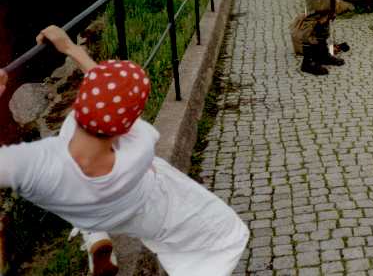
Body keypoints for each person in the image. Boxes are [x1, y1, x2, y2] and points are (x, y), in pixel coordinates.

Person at [0, 26, 249, 276]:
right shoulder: (139, 146)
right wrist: (70, 48)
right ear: (126, 127)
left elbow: (104, 93)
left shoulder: (39, 170)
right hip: (148, 205)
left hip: (95, 213)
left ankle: (94, 234)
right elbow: (112, 95)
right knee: (224, 236)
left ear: (80, 104)